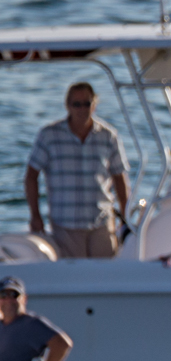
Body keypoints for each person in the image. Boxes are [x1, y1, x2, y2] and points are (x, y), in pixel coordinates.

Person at [25, 82, 130, 258]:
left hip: (101, 223)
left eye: (87, 104)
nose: (82, 109)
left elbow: (119, 177)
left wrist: (126, 216)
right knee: (71, 273)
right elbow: (31, 176)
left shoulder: (108, 136)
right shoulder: (49, 136)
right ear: (68, 105)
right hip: (65, 225)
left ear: (94, 105)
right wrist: (35, 215)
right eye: (77, 104)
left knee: (106, 272)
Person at [0, 276, 73, 361]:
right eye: (3, 295)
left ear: (24, 299)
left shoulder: (31, 324)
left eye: (14, 295)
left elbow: (62, 344)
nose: (8, 300)